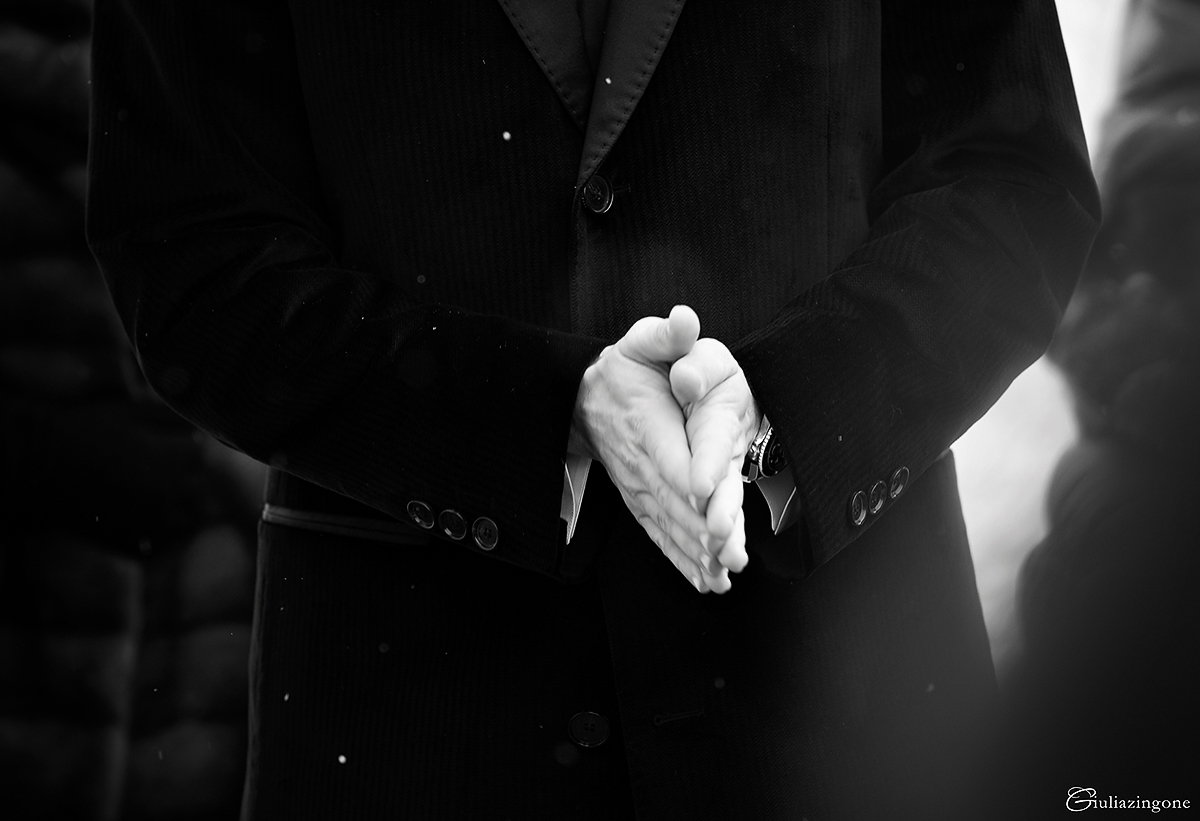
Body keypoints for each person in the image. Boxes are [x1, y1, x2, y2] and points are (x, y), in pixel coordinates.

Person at [86, 0, 1099, 817]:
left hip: (844, 710)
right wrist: (537, 416)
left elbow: (1011, 179)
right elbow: (188, 248)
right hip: (414, 722)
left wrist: (792, 407)